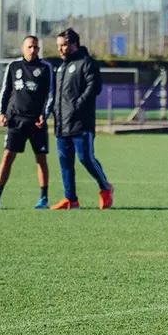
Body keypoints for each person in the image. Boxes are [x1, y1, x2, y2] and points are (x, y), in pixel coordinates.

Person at [0, 36, 54, 209]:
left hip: (37, 122)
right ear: (23, 48)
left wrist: (45, 114)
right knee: (7, 157)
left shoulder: (45, 68)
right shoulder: (14, 67)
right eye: (30, 47)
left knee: (41, 159)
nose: (33, 50)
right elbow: (5, 91)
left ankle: (44, 198)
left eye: (36, 47)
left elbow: (50, 93)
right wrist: (1, 113)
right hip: (16, 120)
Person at [49, 28, 113, 210]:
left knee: (86, 158)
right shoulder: (61, 67)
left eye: (64, 45)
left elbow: (94, 86)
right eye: (58, 46)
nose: (60, 49)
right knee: (65, 162)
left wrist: (78, 105)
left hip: (81, 123)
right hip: (62, 123)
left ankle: (106, 188)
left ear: (74, 44)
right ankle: (71, 199)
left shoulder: (87, 63)